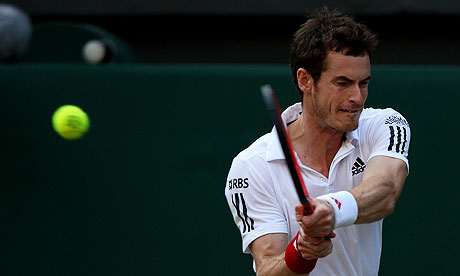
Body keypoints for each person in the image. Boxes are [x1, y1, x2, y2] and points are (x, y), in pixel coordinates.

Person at [224, 7, 411, 276]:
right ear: (305, 80)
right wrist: (301, 252)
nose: (357, 98)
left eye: (363, 83)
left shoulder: (385, 125)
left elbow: (386, 192)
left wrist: (330, 208)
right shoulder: (251, 166)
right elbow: (267, 268)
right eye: (343, 83)